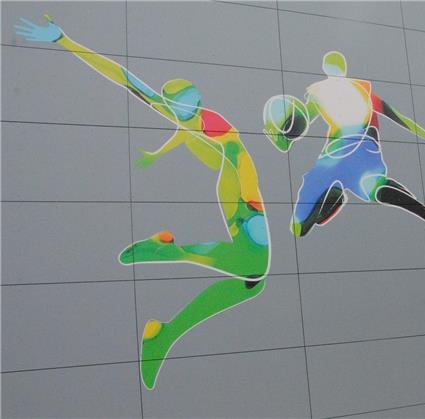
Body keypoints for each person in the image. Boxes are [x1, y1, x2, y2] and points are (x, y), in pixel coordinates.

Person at [16, 16, 271, 389]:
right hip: (240, 194)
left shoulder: (180, 112)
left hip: (236, 192)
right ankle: (171, 250)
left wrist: (64, 40)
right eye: (183, 104)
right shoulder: (198, 116)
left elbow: (124, 78)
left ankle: (163, 335)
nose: (186, 109)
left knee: (253, 281)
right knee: (256, 267)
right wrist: (65, 40)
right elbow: (237, 153)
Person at [263, 51, 425, 258]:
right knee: (374, 187)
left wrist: (283, 137)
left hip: (342, 152)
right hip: (356, 150)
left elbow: (302, 120)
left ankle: (327, 201)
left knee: (299, 224)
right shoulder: (337, 92)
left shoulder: (331, 92)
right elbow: (399, 118)